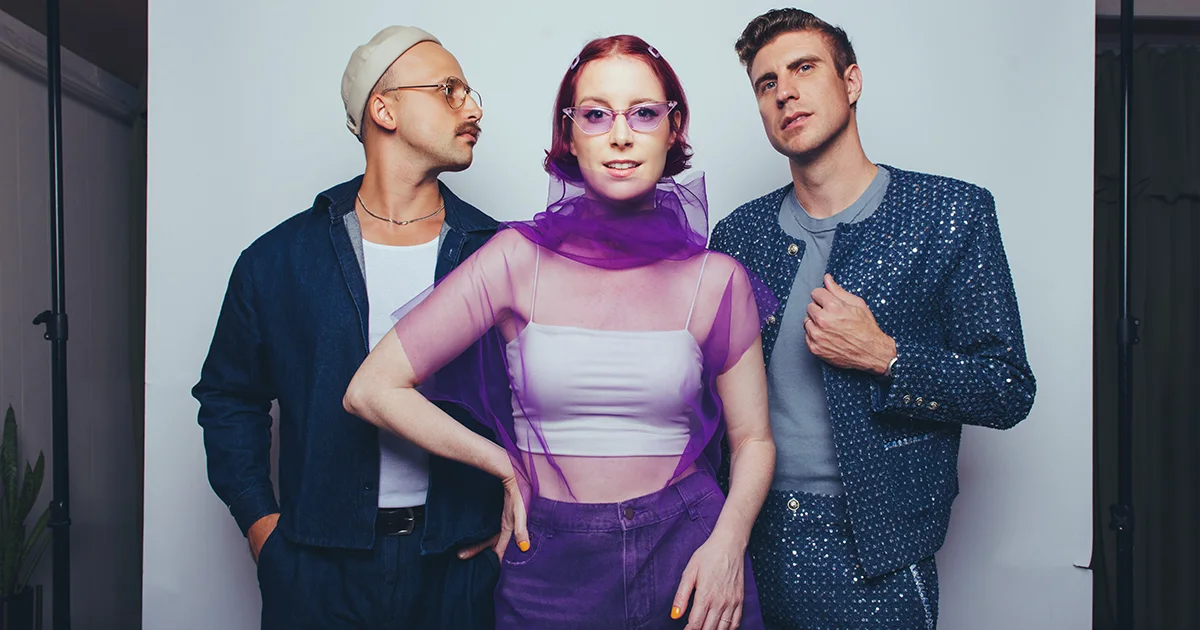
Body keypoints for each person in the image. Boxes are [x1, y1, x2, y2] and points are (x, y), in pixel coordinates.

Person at [344, 35, 775, 630]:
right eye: (596, 115)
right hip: (550, 561)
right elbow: (372, 388)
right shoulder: (516, 259)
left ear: (673, 130)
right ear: (569, 136)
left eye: (644, 113)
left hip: (690, 554)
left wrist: (728, 546)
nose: (620, 134)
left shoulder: (718, 279)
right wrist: (499, 463)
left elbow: (753, 439)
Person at [709, 9, 1037, 630]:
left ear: (851, 81)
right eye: (766, 82)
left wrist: (886, 355)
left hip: (880, 549)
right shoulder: (739, 235)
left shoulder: (949, 214)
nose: (785, 92)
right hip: (752, 534)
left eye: (804, 68)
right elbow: (705, 391)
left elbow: (1008, 389)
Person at [192, 25, 503, 630]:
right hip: (316, 571)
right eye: (448, 89)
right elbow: (229, 398)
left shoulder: (498, 253)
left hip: (457, 569)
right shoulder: (279, 259)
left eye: (471, 91)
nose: (474, 107)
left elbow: (540, 397)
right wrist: (264, 531)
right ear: (382, 109)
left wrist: (505, 535)